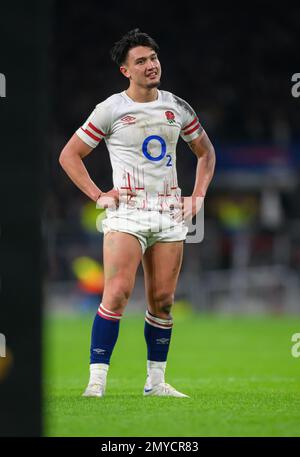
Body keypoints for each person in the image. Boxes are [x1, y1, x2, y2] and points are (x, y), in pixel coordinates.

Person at [59, 28, 216, 398]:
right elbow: (69, 155)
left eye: (153, 58)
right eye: (141, 61)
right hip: (127, 212)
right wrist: (98, 194)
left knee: (163, 300)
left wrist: (197, 197)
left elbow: (206, 153)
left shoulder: (177, 106)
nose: (151, 65)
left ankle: (156, 383)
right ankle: (96, 383)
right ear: (125, 71)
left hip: (168, 212)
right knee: (116, 293)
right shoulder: (111, 109)